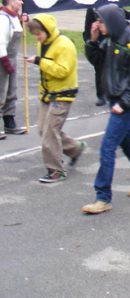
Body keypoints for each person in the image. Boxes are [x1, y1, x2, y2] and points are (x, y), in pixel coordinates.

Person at [83, 4, 130, 215]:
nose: (98, 24)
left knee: (107, 147)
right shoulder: (111, 40)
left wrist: (123, 105)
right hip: (116, 98)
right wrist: (93, 40)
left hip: (124, 102)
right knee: (128, 144)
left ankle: (103, 197)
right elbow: (97, 62)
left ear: (112, 22)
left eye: (101, 21)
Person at [26, 15, 84, 183]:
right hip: (47, 94)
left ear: (47, 30)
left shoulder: (64, 45)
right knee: (43, 129)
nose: (37, 38)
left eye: (39, 34)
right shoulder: (42, 44)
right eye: (35, 35)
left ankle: (56, 170)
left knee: (50, 134)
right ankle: (75, 149)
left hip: (63, 94)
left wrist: (40, 61)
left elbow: (62, 71)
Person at [0, 0, 25, 138]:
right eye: (18, 0)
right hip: (3, 59)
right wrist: (6, 63)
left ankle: (9, 122)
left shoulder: (14, 17)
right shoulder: (3, 19)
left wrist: (23, 19)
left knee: (12, 90)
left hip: (12, 59)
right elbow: (1, 43)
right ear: (10, 1)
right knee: (0, 91)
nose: (21, 2)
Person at [83, 8, 106, 106]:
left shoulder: (112, 1)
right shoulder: (91, 8)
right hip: (98, 40)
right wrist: (90, 40)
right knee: (99, 69)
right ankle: (101, 96)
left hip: (110, 38)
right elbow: (88, 25)